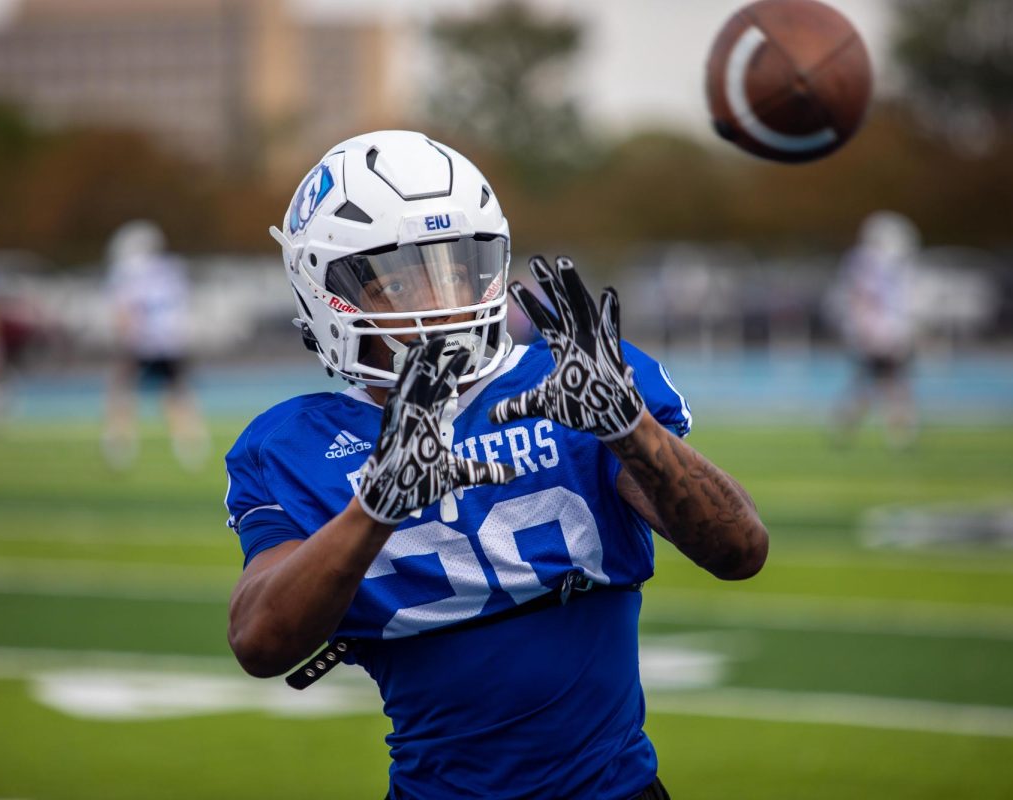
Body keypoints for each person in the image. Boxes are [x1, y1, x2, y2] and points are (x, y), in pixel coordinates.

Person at [224, 130, 768, 800]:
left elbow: (740, 551)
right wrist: (376, 508)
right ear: (325, 292)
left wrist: (633, 430)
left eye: (459, 268)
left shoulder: (569, 383)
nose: (444, 301)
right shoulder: (297, 443)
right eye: (403, 280)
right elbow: (259, 641)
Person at [102, 220, 209, 471]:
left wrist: (125, 338)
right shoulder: (171, 269)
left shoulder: (126, 271)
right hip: (172, 340)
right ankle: (191, 445)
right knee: (176, 394)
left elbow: (126, 311)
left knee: (122, 391)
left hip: (142, 340)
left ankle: (119, 444)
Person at [832, 210, 921, 449]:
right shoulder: (870, 263)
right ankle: (898, 435)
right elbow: (863, 300)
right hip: (881, 335)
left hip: (881, 334)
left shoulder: (876, 263)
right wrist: (868, 331)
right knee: (890, 385)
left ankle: (846, 427)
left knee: (872, 385)